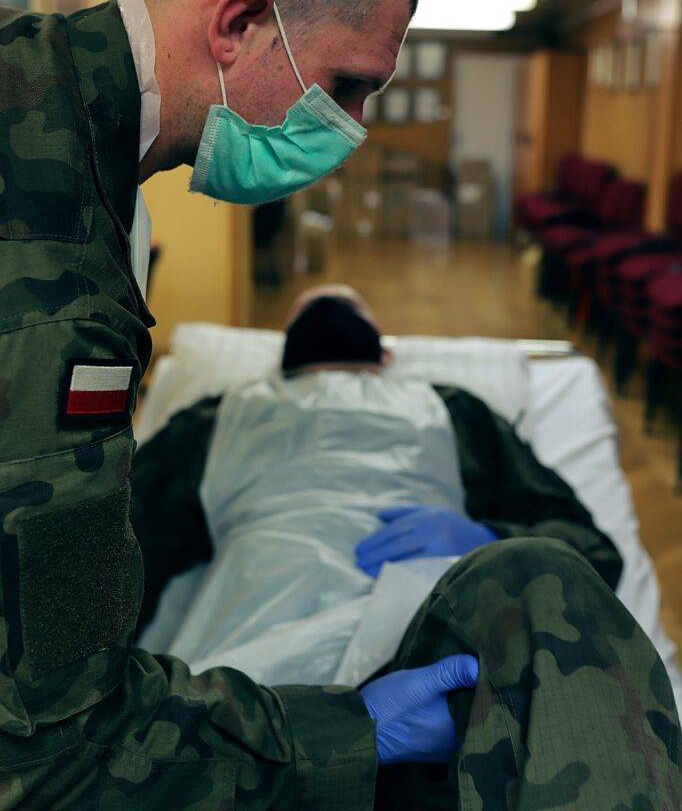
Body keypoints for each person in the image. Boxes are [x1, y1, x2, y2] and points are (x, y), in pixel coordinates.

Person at [0, 0, 487, 809]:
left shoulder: (51, 110)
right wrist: (343, 734)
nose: (350, 130)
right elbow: (50, 744)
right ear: (241, 22)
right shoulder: (51, 245)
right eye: (346, 86)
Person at [130, 285, 680, 808]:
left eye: (348, 304)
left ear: (387, 355)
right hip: (258, 683)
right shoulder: (215, 417)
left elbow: (588, 549)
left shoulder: (453, 409)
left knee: (541, 567)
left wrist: (490, 538)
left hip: (425, 655)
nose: (330, 302)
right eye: (314, 305)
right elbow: (124, 556)